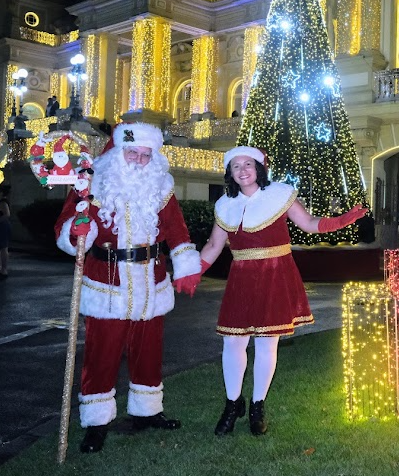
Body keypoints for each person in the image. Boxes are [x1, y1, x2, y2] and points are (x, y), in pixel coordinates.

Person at [196, 146, 367, 437]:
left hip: (275, 274)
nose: (242, 170)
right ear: (230, 173)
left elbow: (310, 224)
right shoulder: (225, 204)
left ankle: (257, 405)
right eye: (236, 166)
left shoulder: (281, 194)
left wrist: (341, 221)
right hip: (241, 277)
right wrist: (192, 271)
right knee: (233, 342)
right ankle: (232, 403)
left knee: (266, 343)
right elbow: (214, 245)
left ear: (260, 166)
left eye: (247, 163)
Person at [54, 121, 202, 454]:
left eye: (144, 155)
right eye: (131, 152)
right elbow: (65, 226)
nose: (137, 160)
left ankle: (148, 412)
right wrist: (76, 232)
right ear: (119, 152)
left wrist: (186, 265)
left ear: (154, 157)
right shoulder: (90, 185)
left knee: (149, 351)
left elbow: (176, 229)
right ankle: (96, 422)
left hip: (151, 280)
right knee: (101, 354)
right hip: (107, 282)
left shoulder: (161, 187)